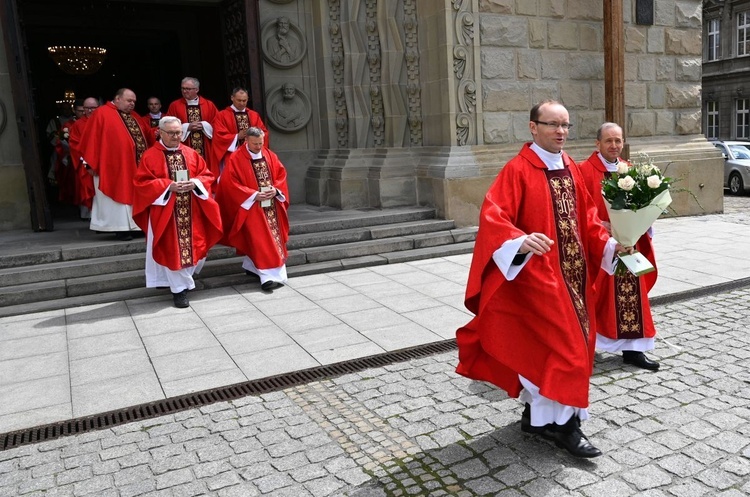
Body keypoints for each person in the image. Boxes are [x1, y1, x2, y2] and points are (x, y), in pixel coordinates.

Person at [455, 100, 631, 459]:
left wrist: (612, 245)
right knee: (566, 350)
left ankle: (537, 419)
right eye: (552, 125)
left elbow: (589, 221)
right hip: (540, 279)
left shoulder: (569, 167)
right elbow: (494, 217)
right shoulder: (518, 170)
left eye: (565, 125)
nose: (561, 132)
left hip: (576, 279)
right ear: (533, 127)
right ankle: (567, 428)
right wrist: (518, 240)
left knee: (571, 347)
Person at [574, 122, 660, 370]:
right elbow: (578, 210)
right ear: (597, 143)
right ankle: (588, 347)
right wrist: (598, 223)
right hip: (599, 248)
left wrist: (642, 222)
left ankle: (633, 351)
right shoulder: (583, 171)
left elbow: (643, 207)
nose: (614, 145)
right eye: (609, 141)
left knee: (634, 297)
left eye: (618, 141)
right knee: (598, 297)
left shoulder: (632, 171)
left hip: (630, 247)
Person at [133, 117, 223, 308]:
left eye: (178, 133)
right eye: (172, 133)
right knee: (173, 249)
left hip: (192, 211)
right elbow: (142, 184)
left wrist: (196, 183)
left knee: (195, 247)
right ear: (161, 133)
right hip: (166, 213)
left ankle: (180, 282)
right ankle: (179, 291)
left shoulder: (191, 153)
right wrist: (168, 186)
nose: (176, 137)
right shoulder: (150, 156)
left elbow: (206, 175)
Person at [215, 127, 289, 291]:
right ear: (246, 141)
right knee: (261, 241)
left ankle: (251, 266)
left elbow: (280, 175)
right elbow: (229, 184)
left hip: (271, 205)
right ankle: (269, 277)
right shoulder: (236, 158)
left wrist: (276, 190)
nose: (258, 147)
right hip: (251, 207)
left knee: (266, 239)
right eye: (255, 144)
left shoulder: (269, 155)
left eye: (261, 143)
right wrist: (253, 195)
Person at [80, 88, 153, 241]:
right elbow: (90, 140)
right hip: (110, 168)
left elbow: (148, 134)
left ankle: (135, 226)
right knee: (116, 199)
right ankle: (119, 228)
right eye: (129, 100)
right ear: (118, 99)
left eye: (134, 101)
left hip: (133, 167)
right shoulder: (102, 113)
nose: (132, 104)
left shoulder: (134, 116)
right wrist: (89, 164)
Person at [165, 77, 219, 177]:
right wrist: (186, 127)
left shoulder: (209, 105)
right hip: (183, 145)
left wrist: (204, 125)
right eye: (183, 88)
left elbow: (218, 124)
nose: (185, 91)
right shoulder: (175, 105)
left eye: (188, 89)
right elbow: (167, 125)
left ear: (196, 90)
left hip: (206, 147)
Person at [211, 87, 269, 178]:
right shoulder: (222, 115)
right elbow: (219, 136)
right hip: (232, 155)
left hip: (252, 154)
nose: (242, 103)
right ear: (232, 98)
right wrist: (237, 136)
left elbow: (264, 132)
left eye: (244, 100)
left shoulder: (253, 115)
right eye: (239, 100)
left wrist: (254, 137)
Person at [67, 97, 99, 220]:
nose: (90, 110)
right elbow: (75, 149)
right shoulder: (78, 125)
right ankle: (95, 220)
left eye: (93, 108)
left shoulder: (105, 121)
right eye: (87, 108)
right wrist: (87, 165)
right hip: (88, 166)